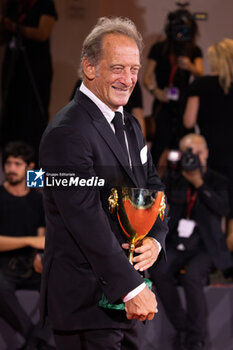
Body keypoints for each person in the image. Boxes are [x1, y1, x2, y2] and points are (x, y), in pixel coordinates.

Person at [39, 16, 168, 350]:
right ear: (90, 67)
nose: (128, 80)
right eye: (118, 68)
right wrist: (132, 288)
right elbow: (84, 219)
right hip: (87, 304)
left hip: (127, 304)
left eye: (134, 69)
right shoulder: (68, 131)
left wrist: (155, 239)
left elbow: (152, 187)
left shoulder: (130, 124)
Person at [149, 134, 233, 350]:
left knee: (193, 277)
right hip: (177, 243)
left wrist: (199, 183)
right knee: (159, 270)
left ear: (205, 153)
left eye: (197, 153)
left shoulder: (218, 180)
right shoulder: (174, 178)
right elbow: (159, 204)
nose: (193, 158)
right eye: (188, 153)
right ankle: (183, 328)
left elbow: (223, 208)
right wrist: (171, 174)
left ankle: (196, 339)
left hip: (206, 246)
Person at [0, 141, 54, 350]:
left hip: (30, 264)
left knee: (59, 285)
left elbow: (41, 238)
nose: (11, 169)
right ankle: (37, 343)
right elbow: (34, 239)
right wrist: (29, 241)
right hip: (4, 265)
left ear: (30, 166)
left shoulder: (37, 200)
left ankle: (33, 344)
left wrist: (39, 255)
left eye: (17, 164)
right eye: (8, 163)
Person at [183, 38, 233, 254]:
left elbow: (188, 121)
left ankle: (212, 262)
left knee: (214, 209)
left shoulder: (201, 85)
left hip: (211, 157)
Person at [143, 8, 203, 169]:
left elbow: (200, 74)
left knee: (184, 148)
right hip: (163, 105)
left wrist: (190, 66)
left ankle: (180, 189)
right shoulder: (159, 49)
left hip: (184, 106)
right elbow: (146, 78)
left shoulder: (193, 50)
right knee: (158, 148)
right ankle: (153, 187)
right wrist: (156, 91)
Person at [0, 0, 57, 161]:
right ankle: (11, 175)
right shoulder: (14, 6)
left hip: (35, 71)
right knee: (11, 121)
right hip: (13, 70)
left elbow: (42, 33)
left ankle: (35, 179)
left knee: (33, 123)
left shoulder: (45, 5)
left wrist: (15, 27)